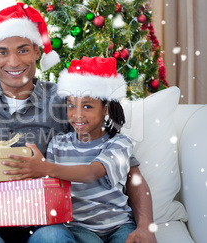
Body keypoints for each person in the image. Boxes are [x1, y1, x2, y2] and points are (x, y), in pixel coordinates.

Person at [0, 3, 157, 242]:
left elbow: (128, 172)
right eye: (2, 52)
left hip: (43, 221)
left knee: (52, 237)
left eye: (22, 50)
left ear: (36, 51)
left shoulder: (66, 99)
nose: (13, 62)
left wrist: (145, 225)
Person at [9, 56, 137, 242]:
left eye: (87, 106)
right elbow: (52, 188)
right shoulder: (58, 144)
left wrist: (44, 167)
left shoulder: (119, 143)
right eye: (71, 105)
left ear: (105, 109)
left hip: (118, 225)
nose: (77, 114)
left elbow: (92, 172)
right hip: (78, 227)